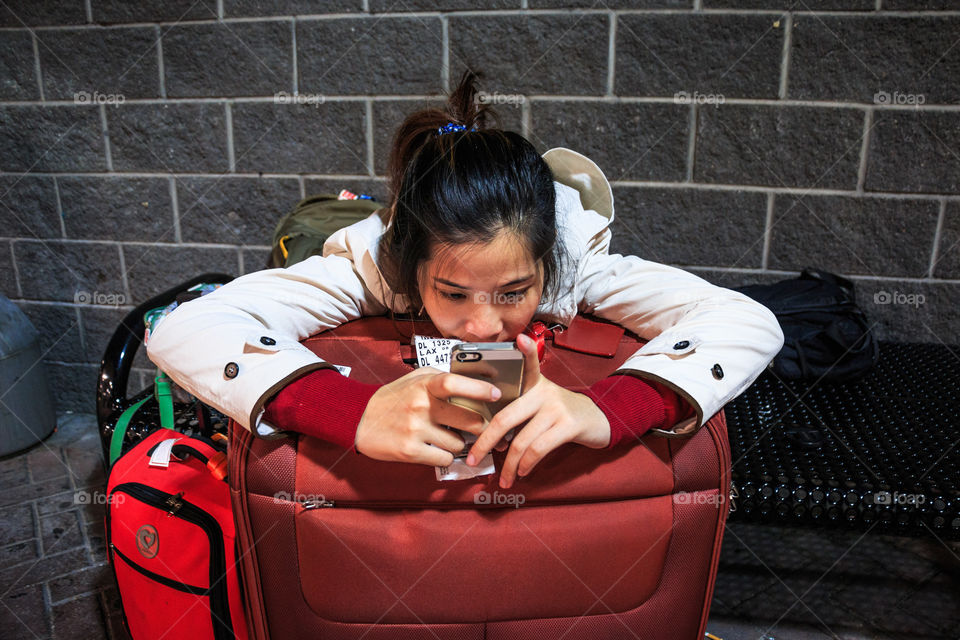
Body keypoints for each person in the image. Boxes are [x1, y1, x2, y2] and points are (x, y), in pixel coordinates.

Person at [146, 71, 783, 490]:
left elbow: (748, 320)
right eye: (452, 293)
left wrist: (603, 407)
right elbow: (186, 326)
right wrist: (352, 409)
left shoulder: (575, 261)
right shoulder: (370, 267)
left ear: (545, 265)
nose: (484, 326)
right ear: (410, 265)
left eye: (513, 292)